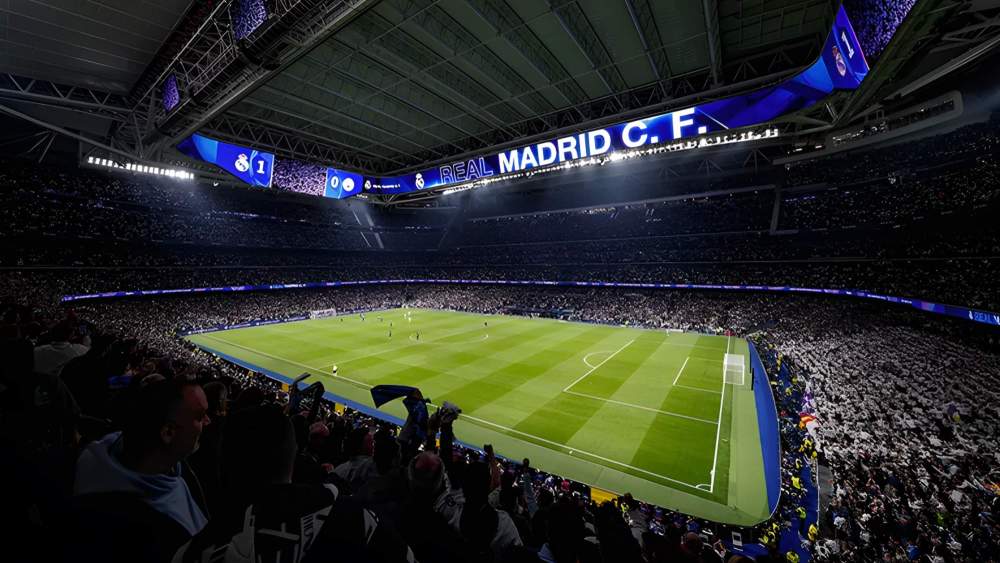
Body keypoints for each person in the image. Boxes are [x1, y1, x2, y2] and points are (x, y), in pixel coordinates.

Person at [71, 379, 211, 559]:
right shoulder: (155, 534)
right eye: (199, 416)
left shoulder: (105, 447)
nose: (208, 421)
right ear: (168, 432)